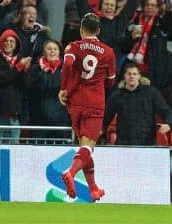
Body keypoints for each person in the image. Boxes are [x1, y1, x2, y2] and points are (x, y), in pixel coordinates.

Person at [58, 13, 116, 202]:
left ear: (81, 30)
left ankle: (93, 188)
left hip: (75, 102)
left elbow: (67, 64)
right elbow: (110, 82)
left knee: (84, 147)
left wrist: (64, 88)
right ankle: (71, 172)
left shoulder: (73, 46)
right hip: (94, 102)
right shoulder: (108, 51)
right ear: (98, 31)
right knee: (88, 146)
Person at [102, 63, 172, 146]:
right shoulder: (116, 96)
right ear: (124, 76)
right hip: (123, 145)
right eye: (129, 74)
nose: (132, 76)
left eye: (134, 74)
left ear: (139, 76)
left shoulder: (151, 93)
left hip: (147, 144)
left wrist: (168, 124)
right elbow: (105, 117)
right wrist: (98, 130)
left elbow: (167, 112)